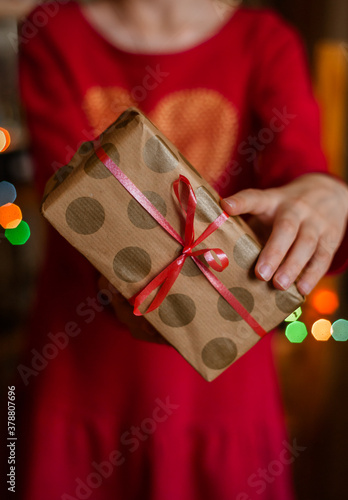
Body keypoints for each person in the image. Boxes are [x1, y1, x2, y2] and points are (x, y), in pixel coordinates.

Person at [16, 0, 348, 499]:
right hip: (82, 381)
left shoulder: (264, 40)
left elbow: (297, 162)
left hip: (223, 395)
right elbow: (75, 203)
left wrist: (323, 193)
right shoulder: (52, 31)